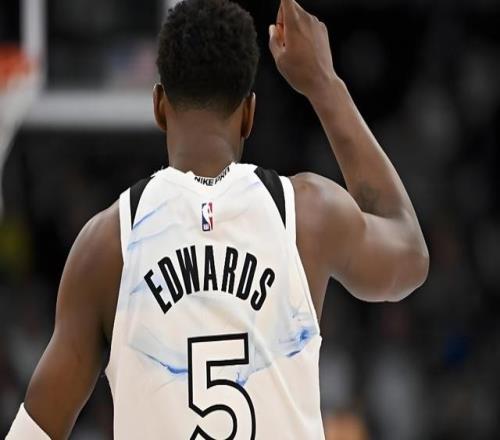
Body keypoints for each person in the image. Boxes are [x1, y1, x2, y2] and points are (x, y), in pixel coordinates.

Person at [7, 0, 429, 438]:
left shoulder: (108, 244)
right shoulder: (307, 213)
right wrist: (324, 83)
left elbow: (32, 432)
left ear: (158, 106)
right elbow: (410, 258)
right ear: (248, 115)